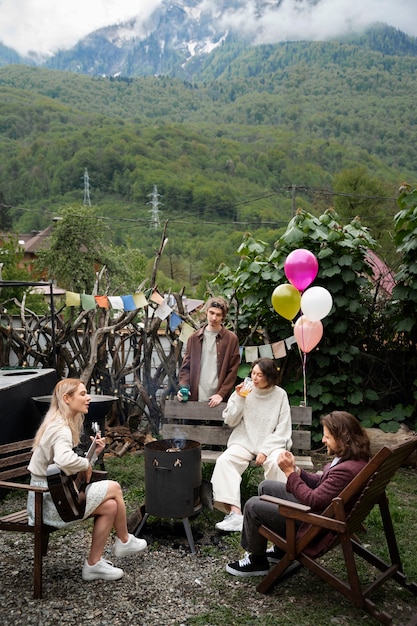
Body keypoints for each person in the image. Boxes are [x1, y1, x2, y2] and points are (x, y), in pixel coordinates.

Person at [27, 378, 147, 582]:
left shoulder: (60, 422)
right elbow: (64, 460)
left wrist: (93, 455)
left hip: (53, 495)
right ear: (67, 398)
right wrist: (86, 464)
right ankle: (124, 540)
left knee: (110, 506)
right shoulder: (60, 428)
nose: (88, 397)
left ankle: (93, 565)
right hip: (47, 501)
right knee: (115, 488)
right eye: (82, 394)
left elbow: (67, 464)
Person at [225, 410, 371, 576]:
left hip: (314, 526)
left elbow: (312, 499)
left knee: (252, 505)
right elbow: (322, 485)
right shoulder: (354, 459)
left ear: (344, 438)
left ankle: (257, 561)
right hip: (322, 514)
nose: (323, 440)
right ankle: (281, 550)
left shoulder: (346, 470)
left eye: (328, 437)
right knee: (267, 486)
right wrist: (296, 471)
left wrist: (289, 474)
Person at [211, 357, 292, 533]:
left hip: (270, 444)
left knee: (277, 461)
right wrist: (239, 398)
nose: (254, 378)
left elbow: (283, 429)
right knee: (225, 461)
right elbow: (230, 421)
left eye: (259, 375)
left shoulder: (280, 395)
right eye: (253, 373)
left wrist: (265, 450)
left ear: (269, 377)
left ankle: (279, 511)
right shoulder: (245, 390)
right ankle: (235, 514)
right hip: (244, 440)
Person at [177, 296, 240, 407]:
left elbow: (233, 370)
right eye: (211, 313)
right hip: (194, 397)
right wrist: (184, 389)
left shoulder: (231, 339)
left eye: (218, 314)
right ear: (206, 312)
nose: (214, 317)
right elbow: (186, 368)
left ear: (223, 317)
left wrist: (221, 394)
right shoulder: (194, 338)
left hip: (218, 399)